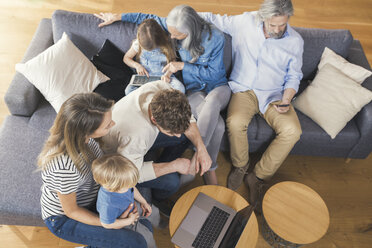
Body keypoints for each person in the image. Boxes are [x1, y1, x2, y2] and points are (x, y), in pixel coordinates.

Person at [95, 4, 231, 185]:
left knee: (211, 105)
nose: (171, 37)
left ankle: (198, 160)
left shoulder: (215, 39)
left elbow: (212, 76)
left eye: (176, 35)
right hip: (187, 88)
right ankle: (206, 167)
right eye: (171, 32)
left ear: (190, 31)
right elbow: (144, 17)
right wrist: (117, 16)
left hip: (212, 86)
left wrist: (181, 66)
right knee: (219, 126)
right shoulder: (136, 138)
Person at [198, 0, 303, 206]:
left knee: (293, 131)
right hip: (244, 89)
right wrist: (181, 15)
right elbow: (211, 17)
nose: (278, 29)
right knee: (235, 122)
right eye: (273, 25)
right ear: (263, 17)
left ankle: (258, 176)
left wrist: (286, 99)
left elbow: (295, 75)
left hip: (275, 95)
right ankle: (241, 166)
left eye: (282, 24)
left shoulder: (295, 41)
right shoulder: (245, 22)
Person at [38, 93, 151, 247]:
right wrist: (111, 223)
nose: (113, 124)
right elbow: (72, 211)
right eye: (107, 125)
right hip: (64, 218)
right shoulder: (64, 167)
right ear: (86, 131)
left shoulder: (87, 140)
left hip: (93, 197)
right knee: (136, 242)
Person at [100, 80, 212, 215]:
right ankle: (158, 198)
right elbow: (132, 175)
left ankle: (158, 164)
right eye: (171, 132)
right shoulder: (135, 136)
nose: (176, 135)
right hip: (121, 162)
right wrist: (173, 166)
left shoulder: (163, 90)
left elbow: (189, 119)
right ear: (154, 120)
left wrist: (201, 148)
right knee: (172, 182)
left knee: (184, 137)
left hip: (138, 145)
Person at [92, 153, 156, 247]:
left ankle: (163, 225)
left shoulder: (122, 186)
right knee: (147, 237)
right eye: (128, 185)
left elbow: (132, 188)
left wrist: (143, 202)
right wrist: (129, 220)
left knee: (154, 211)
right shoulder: (108, 203)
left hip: (131, 206)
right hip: (124, 221)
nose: (131, 186)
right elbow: (107, 224)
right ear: (114, 187)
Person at [123, 18, 185, 95]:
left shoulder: (168, 43)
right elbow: (126, 58)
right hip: (145, 78)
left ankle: (160, 101)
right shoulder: (137, 44)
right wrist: (137, 65)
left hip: (163, 77)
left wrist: (168, 74)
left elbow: (173, 63)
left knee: (180, 88)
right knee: (128, 91)